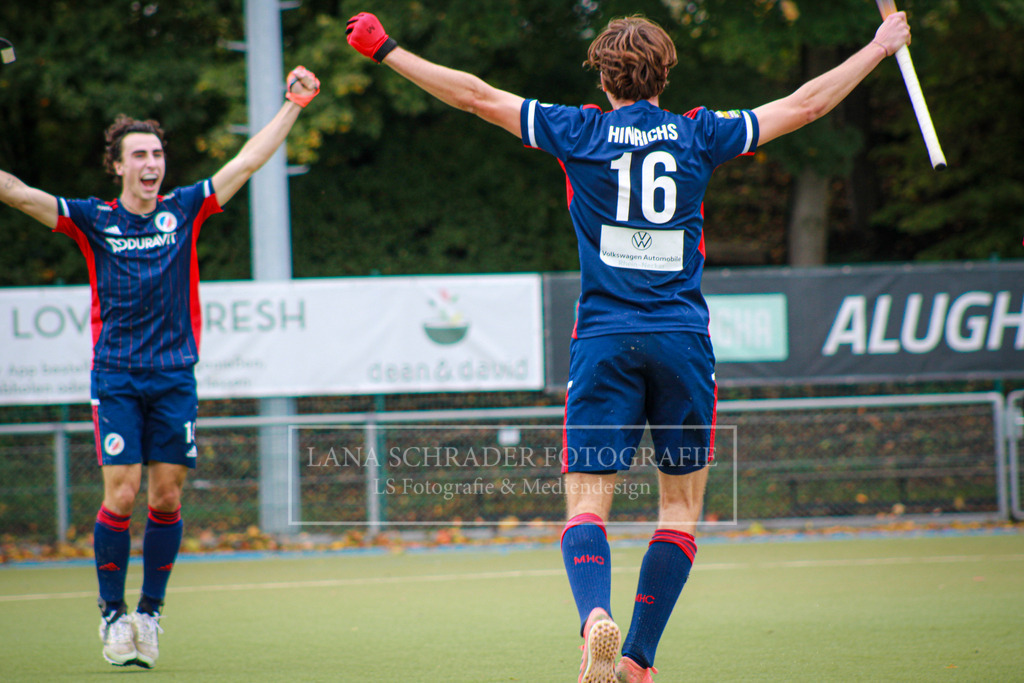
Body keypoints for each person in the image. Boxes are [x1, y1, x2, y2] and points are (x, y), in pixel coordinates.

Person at [345, 9, 909, 683]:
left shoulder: (581, 130)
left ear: (603, 78)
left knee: (588, 502)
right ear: (663, 74)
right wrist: (879, 47)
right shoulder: (700, 133)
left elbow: (475, 95)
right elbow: (808, 104)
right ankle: (638, 659)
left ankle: (593, 619)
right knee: (679, 508)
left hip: (606, 339)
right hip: (681, 340)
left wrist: (388, 50)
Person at [0, 66, 320, 668]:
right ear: (117, 167)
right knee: (121, 495)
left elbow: (248, 161)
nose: (151, 163)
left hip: (175, 375)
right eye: (138, 155)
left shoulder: (186, 209)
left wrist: (293, 106)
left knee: (167, 497)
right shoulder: (92, 220)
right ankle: (112, 618)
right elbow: (14, 190)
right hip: (116, 375)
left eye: (157, 153)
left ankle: (148, 615)